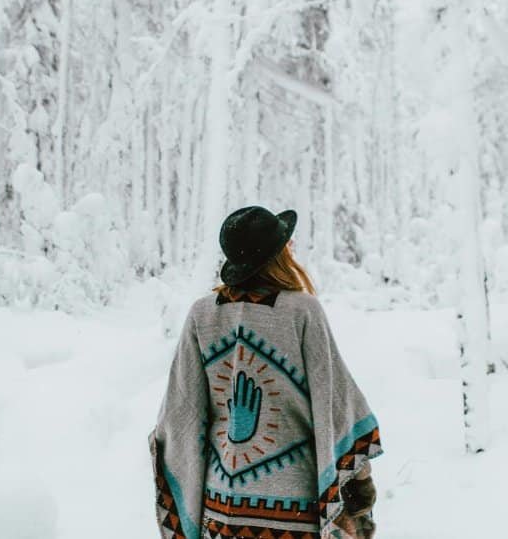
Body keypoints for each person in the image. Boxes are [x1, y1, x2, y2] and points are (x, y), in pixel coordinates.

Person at [150, 206, 382, 539]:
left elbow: (181, 413)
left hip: (222, 511)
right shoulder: (302, 312)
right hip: (294, 510)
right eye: (286, 244)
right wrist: (360, 483)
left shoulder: (203, 315)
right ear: (277, 256)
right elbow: (336, 404)